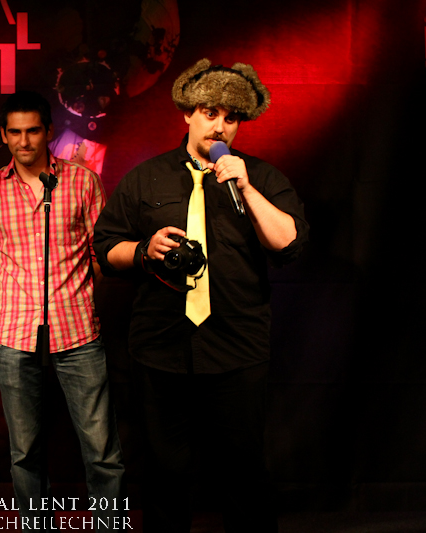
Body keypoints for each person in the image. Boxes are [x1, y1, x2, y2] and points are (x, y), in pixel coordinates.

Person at [93, 58, 309, 532]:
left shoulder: (259, 177)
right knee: (165, 473)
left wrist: (246, 188)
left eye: (231, 117)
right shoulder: (146, 177)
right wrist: (144, 250)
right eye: (210, 113)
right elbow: (105, 249)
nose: (220, 126)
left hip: (236, 349)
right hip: (161, 348)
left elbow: (289, 244)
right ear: (188, 113)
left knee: (243, 472)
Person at [0, 91, 124, 531]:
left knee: (101, 450)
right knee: (25, 453)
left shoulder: (82, 182)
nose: (24, 141)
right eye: (15, 132)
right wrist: (12, 302)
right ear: (3, 135)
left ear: (49, 131)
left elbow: (101, 253)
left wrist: (78, 296)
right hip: (16, 335)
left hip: (77, 331)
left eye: (33, 130)